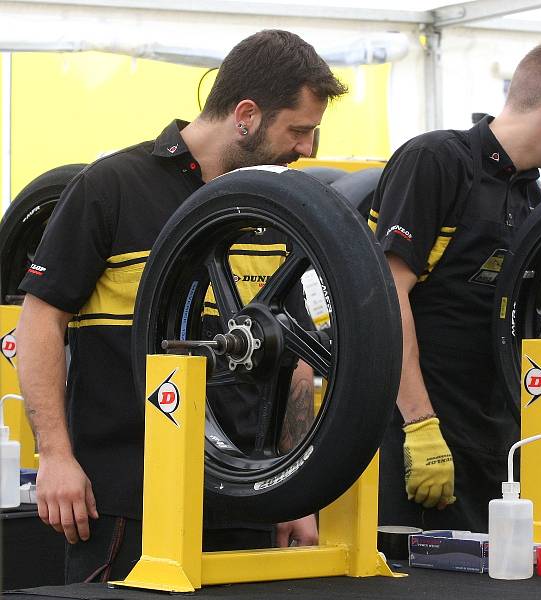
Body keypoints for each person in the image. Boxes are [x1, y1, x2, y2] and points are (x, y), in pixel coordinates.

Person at [14, 29, 347, 583]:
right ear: (246, 115)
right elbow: (40, 320)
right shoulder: (113, 186)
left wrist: (294, 491)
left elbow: (294, 361)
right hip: (126, 502)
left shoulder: (275, 208)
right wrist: (54, 455)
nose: (309, 150)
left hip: (248, 501)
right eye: (300, 130)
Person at [370, 37, 541, 533]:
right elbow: (384, 297)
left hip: (497, 447)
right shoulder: (436, 161)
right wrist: (419, 426)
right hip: (418, 440)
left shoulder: (535, 201)